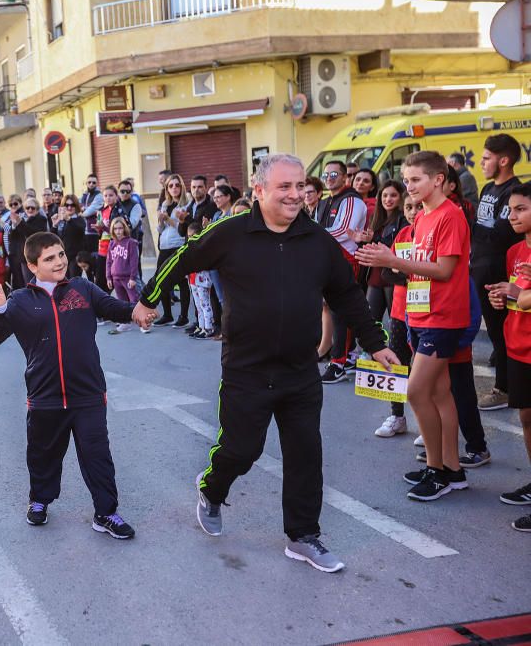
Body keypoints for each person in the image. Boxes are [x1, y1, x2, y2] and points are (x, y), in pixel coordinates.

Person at [134, 153, 398, 573]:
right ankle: (212, 489)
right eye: (285, 187)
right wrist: (148, 298)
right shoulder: (231, 232)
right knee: (241, 450)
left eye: (299, 186)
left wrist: (376, 342)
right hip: (247, 369)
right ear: (259, 191)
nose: (296, 195)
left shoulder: (317, 241)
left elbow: (347, 295)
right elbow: (183, 257)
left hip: (299, 369)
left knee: (305, 454)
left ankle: (303, 536)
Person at [0, 232, 141, 539]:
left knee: (98, 455)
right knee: (43, 454)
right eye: (49, 258)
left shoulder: (81, 288)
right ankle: (40, 500)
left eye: (61, 254)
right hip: (45, 398)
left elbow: (111, 306)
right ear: (32, 266)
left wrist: (136, 310)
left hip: (88, 394)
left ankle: (106, 513)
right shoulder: (18, 301)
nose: (59, 262)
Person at [357, 151, 471, 501]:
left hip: (442, 317)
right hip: (420, 315)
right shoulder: (422, 217)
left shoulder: (450, 216)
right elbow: (419, 267)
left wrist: (391, 259)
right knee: (438, 394)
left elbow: (445, 270)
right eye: (406, 180)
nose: (409, 186)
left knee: (415, 391)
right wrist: (389, 258)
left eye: (416, 180)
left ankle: (437, 471)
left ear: (438, 179)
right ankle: (451, 469)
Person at [485, 184, 531, 532]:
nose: (512, 216)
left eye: (520, 209)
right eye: (511, 210)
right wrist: (505, 298)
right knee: (527, 418)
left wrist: (520, 294)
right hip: (517, 345)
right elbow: (517, 295)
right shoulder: (515, 250)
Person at [472, 134, 523, 411]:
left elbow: (501, 235)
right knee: (494, 333)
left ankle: (503, 388)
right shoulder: (488, 189)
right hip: (480, 267)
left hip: (499, 269)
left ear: (504, 160)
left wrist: (472, 228)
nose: (481, 163)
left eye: (486, 158)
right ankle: (506, 383)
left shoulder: (513, 192)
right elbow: (483, 232)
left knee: (501, 330)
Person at [374, 193, 420, 438]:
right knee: (397, 363)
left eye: (418, 207)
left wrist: (402, 268)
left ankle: (426, 423)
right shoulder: (402, 235)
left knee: (424, 373)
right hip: (400, 311)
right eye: (409, 207)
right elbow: (386, 275)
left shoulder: (431, 235)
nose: (413, 212)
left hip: (427, 313)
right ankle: (397, 416)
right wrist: (410, 273)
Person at [318, 161, 368, 384]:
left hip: (345, 260)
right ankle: (344, 357)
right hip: (329, 259)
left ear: (345, 177)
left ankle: (339, 361)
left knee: (342, 312)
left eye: (334, 174)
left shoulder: (351, 200)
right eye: (326, 174)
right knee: (333, 310)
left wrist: (311, 234)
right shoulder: (327, 200)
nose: (329, 177)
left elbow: (342, 232)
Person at [362, 180, 409, 324]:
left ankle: (394, 347)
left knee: (396, 323)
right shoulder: (376, 217)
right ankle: (375, 347)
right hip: (375, 276)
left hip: (392, 277)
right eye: (385, 195)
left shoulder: (403, 218)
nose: (388, 199)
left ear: (401, 197)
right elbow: (373, 245)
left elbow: (398, 246)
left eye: (393, 195)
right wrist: (363, 240)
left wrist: (373, 238)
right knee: (371, 321)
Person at [153, 174, 191, 328]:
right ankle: (167, 315)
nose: (174, 188)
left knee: (181, 281)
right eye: (171, 186)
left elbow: (184, 229)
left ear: (181, 187)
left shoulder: (186, 205)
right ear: (167, 189)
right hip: (164, 245)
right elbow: (161, 229)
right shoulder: (165, 204)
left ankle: (183, 317)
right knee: (161, 279)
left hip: (178, 244)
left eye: (177, 185)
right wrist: (161, 221)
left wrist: (170, 220)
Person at [105, 217, 141, 335]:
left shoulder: (131, 242)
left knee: (134, 300)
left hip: (127, 277)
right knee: (121, 301)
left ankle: (142, 321)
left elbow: (134, 261)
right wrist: (108, 277)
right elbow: (109, 261)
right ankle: (126, 323)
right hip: (116, 278)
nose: (118, 231)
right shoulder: (112, 244)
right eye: (115, 229)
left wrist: (133, 277)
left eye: (120, 228)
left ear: (125, 229)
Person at [9, 197, 50, 286]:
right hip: (23, 257)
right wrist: (14, 225)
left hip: (36, 256)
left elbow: (32, 233)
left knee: (38, 283)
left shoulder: (41, 219)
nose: (30, 210)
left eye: (33, 208)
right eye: (28, 208)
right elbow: (13, 237)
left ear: (37, 209)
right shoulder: (22, 219)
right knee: (26, 283)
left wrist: (20, 223)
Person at [53, 196, 86, 278]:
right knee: (63, 281)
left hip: (75, 257)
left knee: (73, 282)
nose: (69, 207)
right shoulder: (60, 220)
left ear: (76, 206)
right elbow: (52, 237)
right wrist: (54, 225)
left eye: (72, 205)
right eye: (67, 205)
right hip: (62, 256)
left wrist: (69, 219)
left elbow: (80, 230)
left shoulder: (79, 219)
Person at [80, 174, 103, 254]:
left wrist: (81, 212)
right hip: (85, 231)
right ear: (86, 183)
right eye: (89, 182)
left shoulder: (99, 195)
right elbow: (78, 206)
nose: (91, 184)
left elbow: (89, 212)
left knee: (94, 256)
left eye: (94, 182)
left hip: (94, 232)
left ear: (97, 184)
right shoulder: (85, 195)